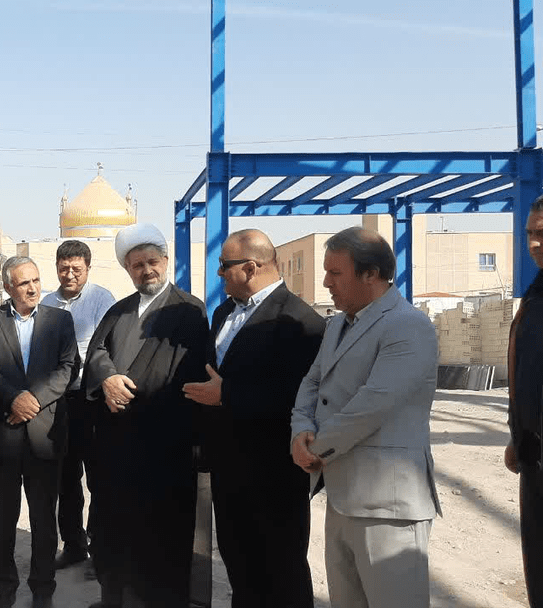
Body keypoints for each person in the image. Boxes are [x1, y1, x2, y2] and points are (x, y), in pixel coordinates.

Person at [290, 226, 440, 608]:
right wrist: (300, 430)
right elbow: (312, 382)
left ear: (371, 274)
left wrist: (314, 448)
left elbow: (373, 404)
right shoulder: (338, 325)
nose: (326, 282)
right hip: (342, 496)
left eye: (335, 273)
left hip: (388, 508)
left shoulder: (408, 325)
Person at [183, 229, 324, 608]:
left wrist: (228, 395)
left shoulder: (301, 322)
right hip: (228, 469)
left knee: (281, 571)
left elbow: (302, 398)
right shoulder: (224, 313)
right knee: (241, 568)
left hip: (274, 473)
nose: (219, 274)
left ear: (250, 268)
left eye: (224, 266)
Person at [83, 223, 209, 607]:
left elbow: (189, 375)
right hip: (117, 446)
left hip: (164, 448)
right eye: (137, 265)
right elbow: (96, 353)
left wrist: (134, 399)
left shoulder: (189, 310)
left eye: (152, 262)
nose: (146, 270)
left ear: (166, 261)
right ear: (128, 269)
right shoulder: (119, 310)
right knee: (114, 530)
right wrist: (107, 379)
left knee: (161, 537)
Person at [0, 256, 78, 608]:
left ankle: (43, 589)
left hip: (45, 435)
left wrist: (34, 399)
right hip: (4, 432)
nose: (32, 288)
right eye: (23, 283)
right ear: (7, 287)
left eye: (35, 280)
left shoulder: (60, 320)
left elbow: (68, 368)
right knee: (3, 517)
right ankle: (3, 587)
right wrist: (13, 398)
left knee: (44, 520)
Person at [40, 240, 115, 570]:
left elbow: (106, 348)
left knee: (99, 478)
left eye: (76, 269)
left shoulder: (102, 300)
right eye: (64, 268)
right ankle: (73, 546)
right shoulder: (47, 302)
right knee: (66, 478)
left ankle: (101, 549)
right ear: (57, 267)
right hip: (59, 402)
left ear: (88, 268)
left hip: (92, 400)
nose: (69, 274)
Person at [505, 194, 543, 607]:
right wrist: (515, 434)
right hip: (534, 462)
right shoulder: (535, 298)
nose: (533, 243)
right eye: (530, 233)